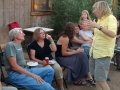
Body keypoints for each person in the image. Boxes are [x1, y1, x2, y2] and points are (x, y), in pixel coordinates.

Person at [87, 1, 117, 90]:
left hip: (103, 53)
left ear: (101, 8)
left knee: (101, 80)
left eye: (94, 9)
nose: (93, 11)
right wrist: (92, 28)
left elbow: (112, 34)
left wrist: (98, 26)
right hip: (94, 52)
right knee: (96, 79)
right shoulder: (99, 19)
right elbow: (99, 35)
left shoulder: (111, 18)